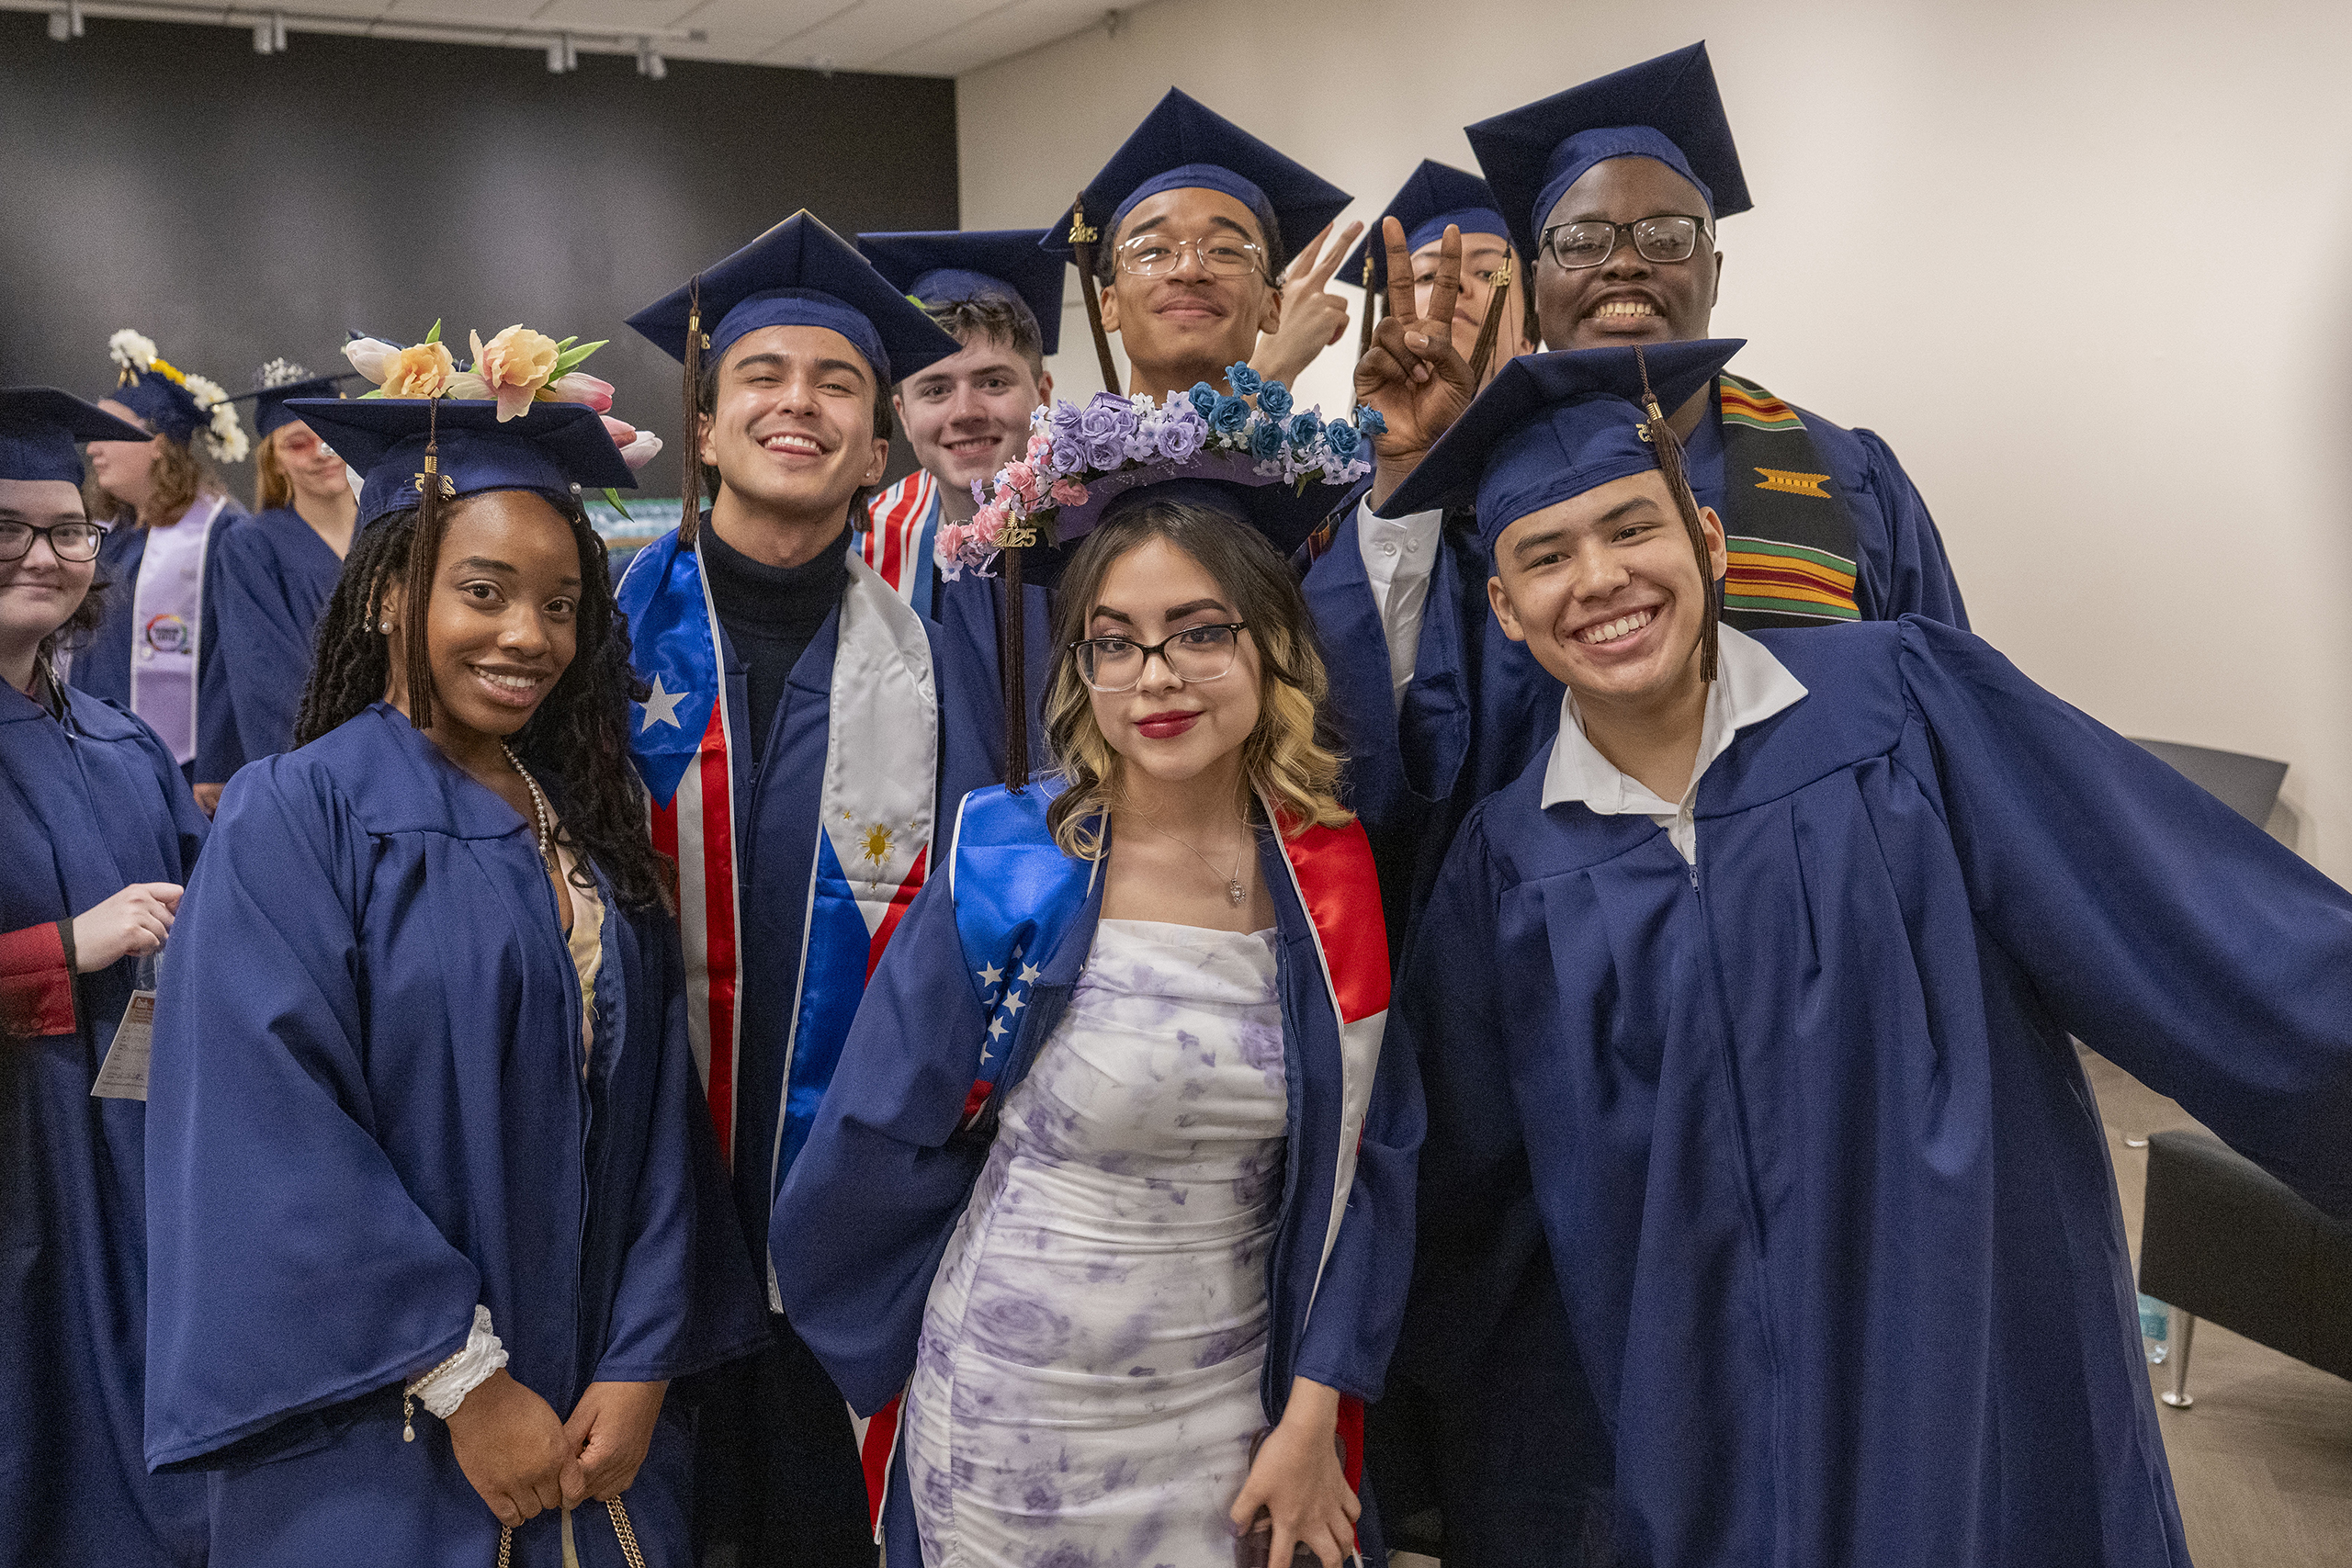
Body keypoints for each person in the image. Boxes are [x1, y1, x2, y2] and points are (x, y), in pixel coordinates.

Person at [1385, 340, 2352, 1565]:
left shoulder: (1904, 705)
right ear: (1505, 610)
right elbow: (1460, 1185)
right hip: (1701, 1404)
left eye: (1633, 528)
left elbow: (2175, 912)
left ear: (1712, 545)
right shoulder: (1509, 867)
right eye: (1547, 554)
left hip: (1956, 1334)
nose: (1601, 578)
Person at [772, 406, 1419, 1566]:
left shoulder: (1329, 874)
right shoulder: (1014, 864)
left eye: (1197, 633)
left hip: (1240, 1403)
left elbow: (1370, 1165)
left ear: (1273, 646)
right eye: (1111, 641)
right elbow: (869, 1143)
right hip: (1019, 1415)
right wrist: (893, 1367)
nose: (1152, 677)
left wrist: (1317, 1406)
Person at [141, 370, 768, 1568]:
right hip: (384, 1432)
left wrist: (643, 1357)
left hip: (599, 1430)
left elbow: (657, 1123)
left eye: (561, 603)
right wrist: (467, 1381)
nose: (529, 635)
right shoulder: (298, 813)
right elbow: (266, 1126)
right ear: (387, 592)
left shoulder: (582, 819)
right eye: (484, 591)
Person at [621, 209, 1002, 1567]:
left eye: (838, 381)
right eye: (762, 378)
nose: (800, 402)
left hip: (850, 1239)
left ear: (878, 442)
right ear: (707, 427)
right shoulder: (591, 645)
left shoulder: (951, 665)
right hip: (626, 1214)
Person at [0, 386, 210, 1568]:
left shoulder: (123, 741)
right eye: (6, 529)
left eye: (67, 528)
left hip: (129, 1151)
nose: (44, 554)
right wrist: (59, 951)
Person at [1046, 87, 1360, 402]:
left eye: (1225, 250)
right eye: (1154, 249)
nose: (1189, 269)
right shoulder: (1053, 453)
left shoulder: (1315, 454)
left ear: (1272, 308)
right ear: (1108, 305)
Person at [74, 331, 250, 810]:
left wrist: (219, 764)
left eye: (107, 430)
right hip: (96, 760)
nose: (91, 448)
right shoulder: (105, 532)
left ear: (157, 442)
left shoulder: (224, 532)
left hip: (186, 774)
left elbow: (234, 662)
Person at [853, 228, 1064, 610]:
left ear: (1042, 397)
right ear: (903, 415)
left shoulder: (1097, 531)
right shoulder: (862, 553)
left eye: (993, 382)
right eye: (936, 390)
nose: (965, 412)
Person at [212, 358, 360, 762]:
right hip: (321, 758)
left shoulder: (394, 529)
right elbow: (267, 679)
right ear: (274, 460)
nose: (321, 453)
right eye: (298, 443)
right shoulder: (250, 547)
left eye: (330, 437)